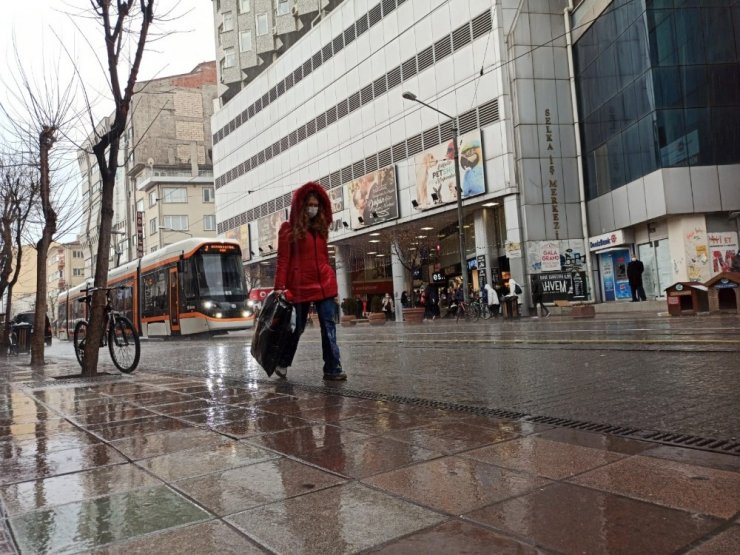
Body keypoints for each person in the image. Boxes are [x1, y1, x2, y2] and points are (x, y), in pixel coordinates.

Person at [273, 182, 345, 381]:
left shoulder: (320, 229)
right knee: (297, 328)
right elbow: (283, 260)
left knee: (329, 324)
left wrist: (332, 281)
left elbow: (324, 258)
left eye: (316, 204)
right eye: (310, 204)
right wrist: (279, 287)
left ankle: (332, 367)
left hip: (324, 284)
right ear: (301, 206)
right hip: (300, 286)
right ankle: (283, 361)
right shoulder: (288, 229)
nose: (313, 208)